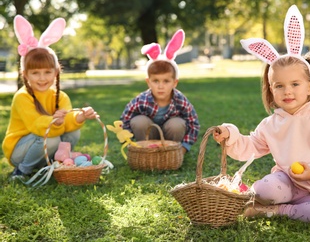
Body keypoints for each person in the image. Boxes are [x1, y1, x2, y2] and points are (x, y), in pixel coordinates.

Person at [213, 5, 310, 225]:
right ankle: (272, 202)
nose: (287, 91)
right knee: (263, 189)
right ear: (271, 89)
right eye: (279, 86)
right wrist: (230, 134)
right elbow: (250, 147)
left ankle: (277, 211)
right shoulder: (271, 124)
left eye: (295, 84)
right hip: (286, 183)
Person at [2, 15, 98, 181]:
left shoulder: (60, 96)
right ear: (25, 74)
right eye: (35, 73)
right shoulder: (22, 97)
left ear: (56, 72)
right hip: (20, 150)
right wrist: (55, 121)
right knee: (52, 138)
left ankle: (56, 162)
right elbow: (37, 126)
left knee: (74, 132)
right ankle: (21, 170)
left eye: (47, 72)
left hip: (44, 145)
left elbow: (68, 121)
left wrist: (80, 116)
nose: (42, 78)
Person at [120, 29, 199, 155]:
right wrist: (129, 141)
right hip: (149, 134)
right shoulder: (142, 100)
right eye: (156, 81)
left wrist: (185, 147)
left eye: (166, 81)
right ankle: (146, 152)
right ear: (148, 82)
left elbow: (193, 123)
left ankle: (171, 153)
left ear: (175, 83)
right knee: (138, 121)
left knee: (177, 124)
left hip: (170, 135)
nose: (160, 86)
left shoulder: (180, 100)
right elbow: (125, 119)